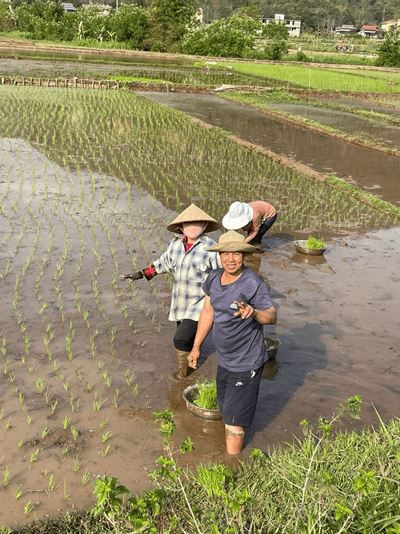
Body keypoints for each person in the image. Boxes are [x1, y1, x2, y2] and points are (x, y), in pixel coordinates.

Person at [187, 231, 277, 455]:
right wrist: (196, 347)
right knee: (226, 410)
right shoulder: (214, 279)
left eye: (236, 253)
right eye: (225, 253)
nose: (230, 258)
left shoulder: (252, 283)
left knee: (234, 424)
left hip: (246, 362)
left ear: (244, 255)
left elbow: (271, 315)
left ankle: (232, 466)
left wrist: (254, 312)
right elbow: (208, 311)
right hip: (225, 359)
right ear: (219, 255)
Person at [121, 204, 220, 380]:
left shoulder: (211, 248)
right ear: (181, 227)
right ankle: (192, 355)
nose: (193, 227)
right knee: (185, 337)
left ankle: (183, 374)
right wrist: (139, 274)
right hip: (180, 302)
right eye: (188, 224)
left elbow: (221, 273)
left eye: (198, 223)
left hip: (200, 303)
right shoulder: (174, 245)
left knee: (180, 339)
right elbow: (162, 264)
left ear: (205, 225)